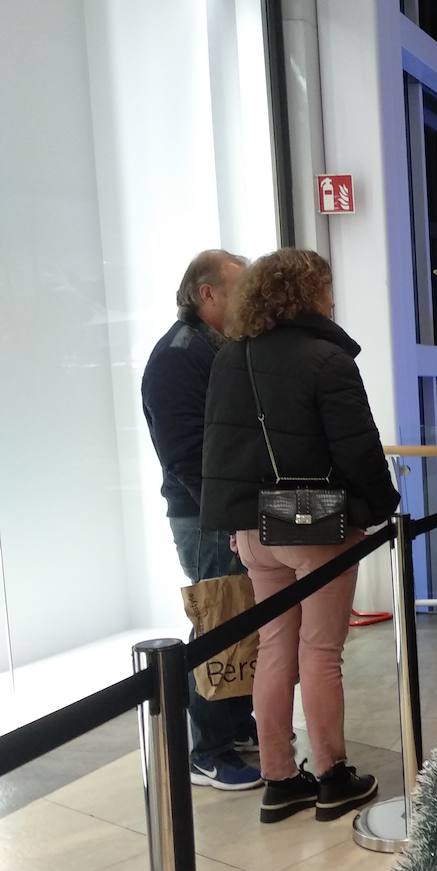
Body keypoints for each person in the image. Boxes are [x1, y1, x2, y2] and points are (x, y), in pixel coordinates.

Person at [202, 249, 400, 823]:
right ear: (310, 293)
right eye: (327, 288)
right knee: (320, 651)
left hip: (254, 524)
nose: (333, 299)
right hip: (311, 517)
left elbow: (220, 452)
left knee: (273, 647)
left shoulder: (229, 359)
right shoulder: (325, 360)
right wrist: (384, 508)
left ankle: (280, 778)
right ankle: (334, 776)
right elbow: (357, 450)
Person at [142, 250, 262, 791]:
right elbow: (187, 455)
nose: (246, 301)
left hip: (224, 510)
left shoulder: (214, 349)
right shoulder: (176, 357)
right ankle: (208, 750)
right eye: (238, 291)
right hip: (204, 515)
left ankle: (234, 725)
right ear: (206, 294)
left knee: (238, 616)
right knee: (216, 620)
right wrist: (229, 519)